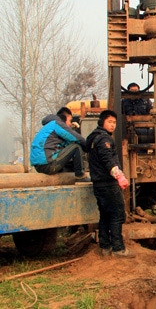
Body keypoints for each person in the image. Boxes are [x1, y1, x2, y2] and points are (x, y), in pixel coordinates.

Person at [86, 110, 135, 258]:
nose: (112, 125)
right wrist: (119, 176)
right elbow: (108, 160)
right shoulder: (104, 140)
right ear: (102, 122)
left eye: (114, 122)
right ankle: (118, 249)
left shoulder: (93, 138)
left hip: (98, 183)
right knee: (117, 214)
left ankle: (105, 246)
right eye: (109, 122)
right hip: (108, 183)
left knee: (105, 214)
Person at [30, 107, 89, 181]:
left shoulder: (49, 127)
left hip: (39, 166)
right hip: (48, 164)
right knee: (76, 147)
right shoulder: (57, 124)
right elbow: (76, 138)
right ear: (65, 118)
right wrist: (88, 148)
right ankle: (80, 176)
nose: (70, 124)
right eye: (70, 120)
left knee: (73, 161)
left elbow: (67, 146)